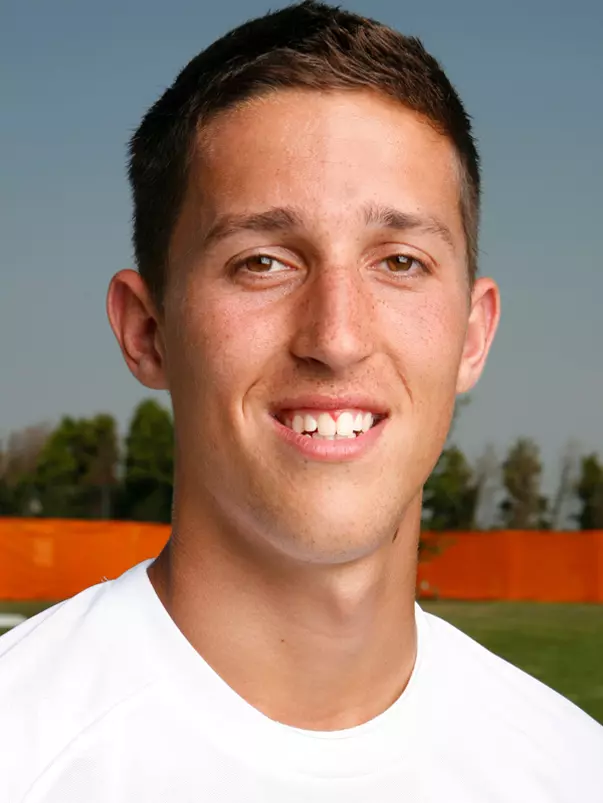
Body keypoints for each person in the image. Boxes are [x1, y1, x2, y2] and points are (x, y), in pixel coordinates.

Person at [1, 2, 602, 800]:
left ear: (470, 334)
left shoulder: (570, 767)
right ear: (147, 330)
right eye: (262, 261)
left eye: (398, 260)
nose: (338, 335)